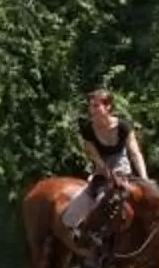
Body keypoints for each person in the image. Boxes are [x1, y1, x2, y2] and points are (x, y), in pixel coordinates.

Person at [59, 89, 149, 249]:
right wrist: (110, 176)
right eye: (90, 106)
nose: (92, 110)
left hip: (124, 170)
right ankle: (96, 246)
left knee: (149, 201)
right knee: (99, 202)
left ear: (108, 107)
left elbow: (135, 153)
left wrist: (144, 178)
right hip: (103, 172)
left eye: (96, 106)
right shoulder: (88, 130)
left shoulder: (123, 127)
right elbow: (96, 158)